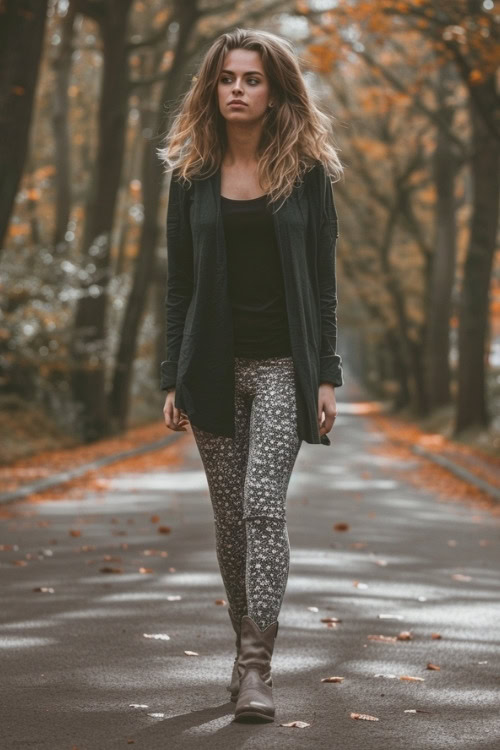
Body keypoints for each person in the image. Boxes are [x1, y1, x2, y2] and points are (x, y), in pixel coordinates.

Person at [157, 27, 344, 723]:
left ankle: (258, 666)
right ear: (214, 87)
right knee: (230, 524)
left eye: (253, 79)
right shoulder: (190, 175)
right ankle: (243, 650)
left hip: (282, 367)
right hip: (209, 367)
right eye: (228, 78)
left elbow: (323, 284)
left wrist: (326, 373)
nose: (238, 88)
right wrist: (171, 377)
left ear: (275, 91)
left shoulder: (310, 173)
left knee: (262, 505)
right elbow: (178, 286)